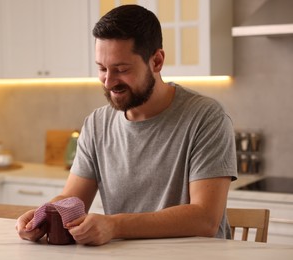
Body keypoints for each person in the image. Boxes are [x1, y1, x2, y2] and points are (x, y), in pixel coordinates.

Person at [16, 4, 237, 246]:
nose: (109, 82)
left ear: (157, 61)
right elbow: (72, 198)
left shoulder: (205, 118)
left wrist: (115, 225)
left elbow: (205, 218)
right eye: (102, 69)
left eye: (121, 69)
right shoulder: (97, 124)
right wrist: (44, 215)